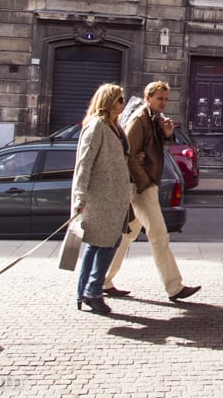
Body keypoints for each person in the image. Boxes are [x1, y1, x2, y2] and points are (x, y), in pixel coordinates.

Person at [102, 81, 200, 303]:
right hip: (141, 186)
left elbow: (155, 152)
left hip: (146, 184)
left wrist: (166, 135)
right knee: (159, 234)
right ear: (148, 99)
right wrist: (144, 181)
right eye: (159, 99)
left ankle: (102, 280)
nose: (164, 103)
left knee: (128, 235)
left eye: (166, 99)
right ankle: (174, 286)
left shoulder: (154, 120)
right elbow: (128, 154)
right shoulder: (139, 120)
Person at [71, 83, 133, 315]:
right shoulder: (96, 126)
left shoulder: (115, 126)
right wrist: (80, 196)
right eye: (119, 100)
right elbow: (84, 163)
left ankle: (83, 291)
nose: (123, 103)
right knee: (107, 243)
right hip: (100, 197)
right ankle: (93, 291)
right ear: (107, 102)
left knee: (98, 244)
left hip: (114, 196)